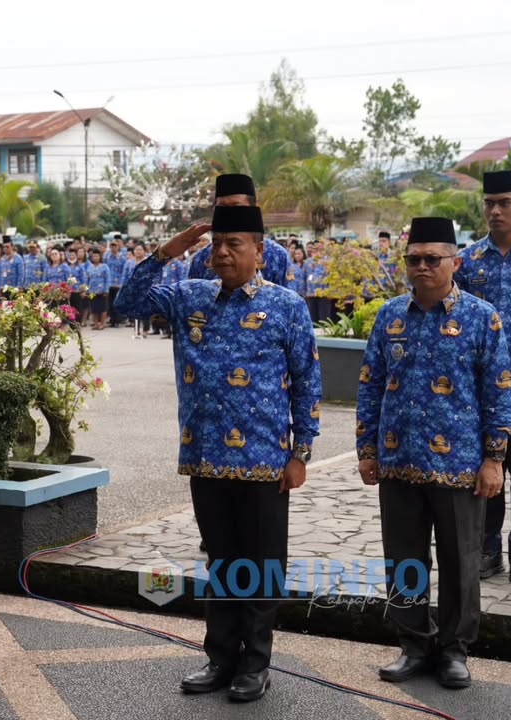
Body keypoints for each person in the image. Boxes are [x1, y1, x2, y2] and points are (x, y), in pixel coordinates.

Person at [115, 206, 321, 703]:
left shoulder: (286, 306)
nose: (223, 252)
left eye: (234, 244)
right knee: (222, 561)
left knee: (264, 562)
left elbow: (308, 382)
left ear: (259, 250)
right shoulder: (189, 297)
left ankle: (255, 663)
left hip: (264, 460)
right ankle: (221, 656)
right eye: (216, 243)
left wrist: (301, 453)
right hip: (205, 456)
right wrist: (169, 249)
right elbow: (127, 303)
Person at [358, 216, 511, 689]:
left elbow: (499, 391)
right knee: (404, 559)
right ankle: (413, 645)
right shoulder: (390, 316)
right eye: (413, 259)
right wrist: (366, 449)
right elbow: (370, 384)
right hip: (398, 461)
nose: (421, 266)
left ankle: (454, 650)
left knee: (462, 561)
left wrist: (494, 458)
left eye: (432, 258)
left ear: (455, 262)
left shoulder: (481, 317)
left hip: (460, 466)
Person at [454, 169, 511, 583]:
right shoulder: (469, 262)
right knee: (486, 467)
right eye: (489, 203)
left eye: (505, 203)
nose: (496, 211)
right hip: (481, 387)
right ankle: (487, 549)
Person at [86, 248, 111, 330]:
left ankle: (102, 324)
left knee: (103, 308)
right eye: (93, 256)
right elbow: (87, 279)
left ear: (100, 257)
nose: (95, 258)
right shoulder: (89, 267)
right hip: (92, 291)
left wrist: (106, 290)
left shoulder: (105, 267)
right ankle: (96, 324)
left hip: (102, 291)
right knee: (94, 309)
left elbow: (107, 279)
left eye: (97, 256)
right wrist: (87, 290)